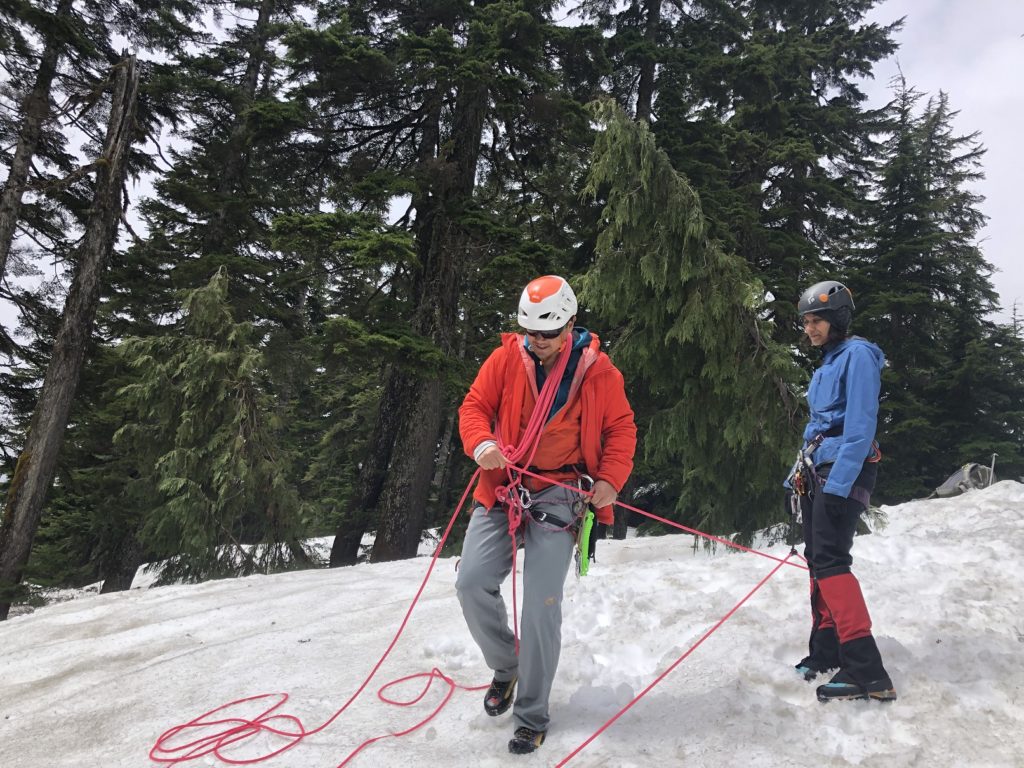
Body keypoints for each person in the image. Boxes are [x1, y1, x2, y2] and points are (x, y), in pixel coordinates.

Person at [456, 275, 637, 754]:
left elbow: (621, 428)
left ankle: (531, 714)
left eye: (548, 333)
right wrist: (482, 443)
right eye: (530, 331)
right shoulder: (506, 358)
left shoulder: (599, 372)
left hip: (561, 492)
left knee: (541, 604)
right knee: (471, 582)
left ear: (570, 325)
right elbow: (474, 406)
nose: (537, 341)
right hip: (505, 484)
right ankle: (507, 665)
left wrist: (610, 479)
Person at [788, 279, 897, 703]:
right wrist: (793, 480)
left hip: (844, 471)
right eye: (806, 322)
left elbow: (860, 423)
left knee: (832, 561)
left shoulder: (858, 355)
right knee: (818, 560)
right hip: (819, 469)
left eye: (817, 320)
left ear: (838, 319)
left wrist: (839, 485)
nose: (810, 329)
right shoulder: (828, 363)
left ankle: (867, 672)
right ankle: (827, 651)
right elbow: (817, 427)